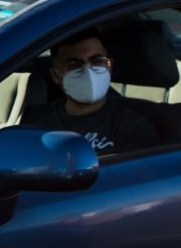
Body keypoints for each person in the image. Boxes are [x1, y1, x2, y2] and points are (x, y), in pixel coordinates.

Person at [21, 27, 157, 154]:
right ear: (56, 75)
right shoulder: (35, 117)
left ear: (109, 67)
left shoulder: (132, 126)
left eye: (97, 61)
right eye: (74, 64)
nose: (88, 70)